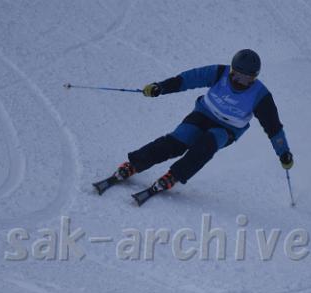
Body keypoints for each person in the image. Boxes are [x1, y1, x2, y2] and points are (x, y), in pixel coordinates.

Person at [96, 49, 294, 196]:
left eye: (246, 79)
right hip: (203, 114)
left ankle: (175, 175)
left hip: (228, 129)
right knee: (179, 140)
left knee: (207, 143)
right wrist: (160, 87)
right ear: (231, 70)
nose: (239, 82)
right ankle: (134, 164)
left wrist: (283, 152)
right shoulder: (219, 73)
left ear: (254, 78)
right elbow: (188, 79)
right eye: (236, 75)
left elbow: (273, 128)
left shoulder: (260, 96)